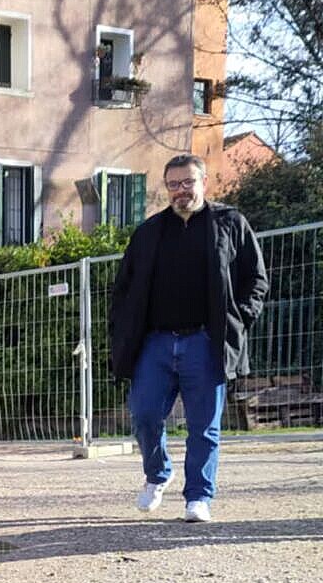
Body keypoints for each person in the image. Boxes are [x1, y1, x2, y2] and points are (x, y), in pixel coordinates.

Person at [108, 153, 268, 523]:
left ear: (204, 182)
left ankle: (199, 497)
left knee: (204, 425)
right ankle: (158, 475)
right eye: (173, 184)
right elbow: (124, 288)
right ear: (167, 188)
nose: (181, 191)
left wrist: (237, 321)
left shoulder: (230, 224)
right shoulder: (149, 232)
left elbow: (255, 281)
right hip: (155, 342)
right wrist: (122, 329)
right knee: (145, 414)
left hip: (205, 342)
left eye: (188, 182)